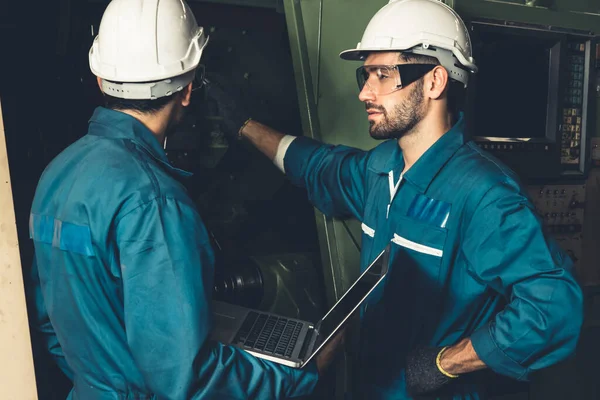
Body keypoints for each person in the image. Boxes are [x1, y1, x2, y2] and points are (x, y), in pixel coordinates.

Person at [206, 0, 584, 398]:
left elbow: (552, 308)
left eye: (383, 75)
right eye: (365, 75)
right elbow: (316, 165)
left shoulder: (483, 193)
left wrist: (445, 363)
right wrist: (244, 126)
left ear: (435, 82)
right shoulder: (380, 167)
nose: (365, 92)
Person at [28, 0, 343, 398]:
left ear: (100, 80)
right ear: (189, 89)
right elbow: (187, 378)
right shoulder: (154, 201)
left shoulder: (57, 173)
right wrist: (304, 372)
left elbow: (49, 325)